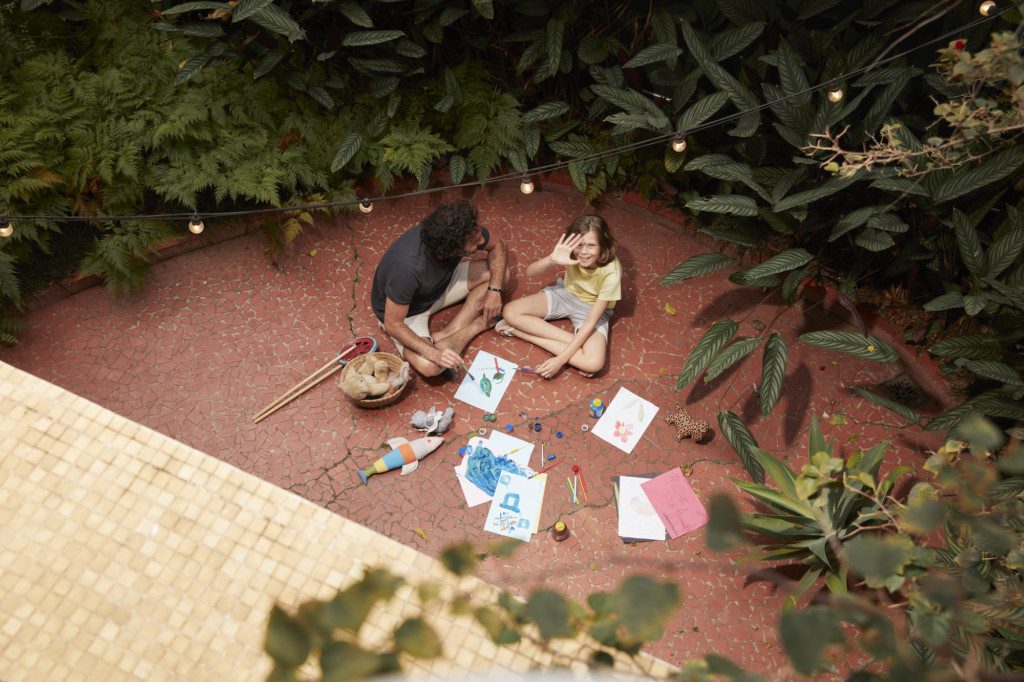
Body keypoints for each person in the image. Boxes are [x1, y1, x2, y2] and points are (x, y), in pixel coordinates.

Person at [371, 200, 509, 378]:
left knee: (501, 275)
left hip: (441, 285)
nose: (481, 241)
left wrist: (495, 290)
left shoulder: (465, 230)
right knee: (431, 367)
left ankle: (448, 332)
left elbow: (498, 244)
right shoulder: (407, 268)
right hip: (407, 313)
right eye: (475, 243)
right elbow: (393, 323)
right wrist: (435, 354)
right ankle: (477, 325)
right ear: (450, 247)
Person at [497, 214, 620, 379]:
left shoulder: (612, 270)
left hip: (593, 308)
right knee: (510, 311)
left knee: (594, 364)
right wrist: (551, 259)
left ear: (602, 246)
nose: (583, 252)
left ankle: (520, 333)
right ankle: (580, 345)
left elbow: (591, 320)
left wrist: (560, 360)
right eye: (579, 245)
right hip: (566, 293)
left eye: (591, 245)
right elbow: (530, 272)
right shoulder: (569, 251)